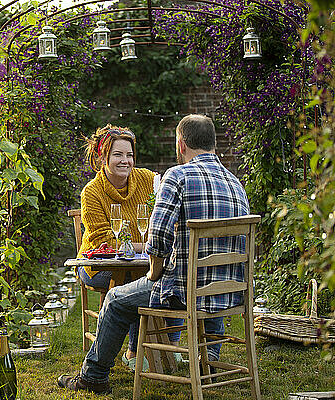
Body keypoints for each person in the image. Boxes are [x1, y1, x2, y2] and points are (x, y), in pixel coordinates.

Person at [58, 114, 250, 394]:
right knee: (189, 281)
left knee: (115, 298)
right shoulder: (235, 183)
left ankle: (93, 377)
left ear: (181, 144)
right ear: (213, 143)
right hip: (229, 291)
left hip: (183, 290)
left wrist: (154, 272)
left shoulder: (177, 176)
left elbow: (158, 237)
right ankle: (210, 362)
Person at [77, 124, 156, 370]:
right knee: (135, 281)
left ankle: (158, 347)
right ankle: (134, 351)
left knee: (155, 277)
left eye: (129, 155)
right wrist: (148, 245)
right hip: (97, 266)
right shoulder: (92, 192)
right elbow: (107, 243)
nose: (125, 161)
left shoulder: (148, 180)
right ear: (103, 157)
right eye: (118, 155)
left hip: (142, 262)